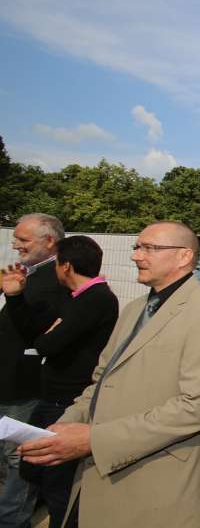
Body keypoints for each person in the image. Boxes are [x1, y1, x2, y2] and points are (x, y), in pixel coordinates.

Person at [19, 222, 200, 528]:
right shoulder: (134, 308)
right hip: (101, 475)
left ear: (184, 256)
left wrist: (94, 439)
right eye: (137, 247)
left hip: (155, 482)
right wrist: (64, 426)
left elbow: (194, 408)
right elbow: (101, 382)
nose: (136, 256)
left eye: (149, 248)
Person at [4, 235, 115, 528]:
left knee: (57, 484)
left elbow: (47, 345)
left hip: (68, 401)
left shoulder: (95, 299)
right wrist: (15, 297)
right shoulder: (77, 297)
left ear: (65, 266)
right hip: (54, 395)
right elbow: (40, 335)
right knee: (37, 470)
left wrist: (49, 336)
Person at [0, 213, 67, 528]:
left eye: (23, 240)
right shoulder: (27, 273)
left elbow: (37, 335)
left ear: (49, 241)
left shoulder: (56, 279)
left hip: (22, 384)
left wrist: (14, 298)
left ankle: (13, 518)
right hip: (8, 378)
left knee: (20, 455)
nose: (16, 246)